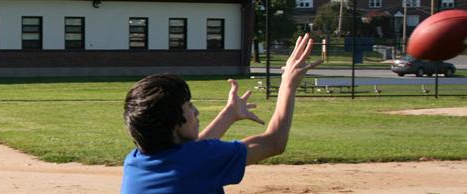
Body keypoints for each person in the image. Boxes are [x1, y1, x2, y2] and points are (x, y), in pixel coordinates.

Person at [121, 33, 322, 194]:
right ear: (174, 124)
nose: (196, 111)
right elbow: (274, 143)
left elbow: (190, 156)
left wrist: (228, 115)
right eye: (189, 106)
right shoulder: (205, 158)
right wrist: (288, 84)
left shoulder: (134, 163)